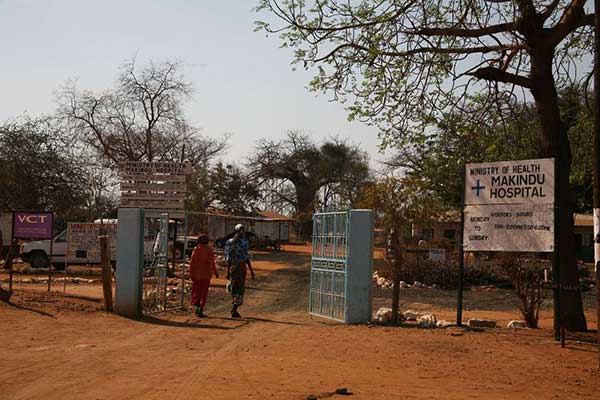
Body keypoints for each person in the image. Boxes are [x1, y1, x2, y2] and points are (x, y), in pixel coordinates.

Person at [225, 224, 254, 318]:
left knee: (233, 287)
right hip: (241, 267)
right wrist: (251, 270)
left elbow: (228, 258)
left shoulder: (229, 242)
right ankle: (234, 308)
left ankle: (234, 305)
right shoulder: (244, 242)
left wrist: (228, 271)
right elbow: (246, 257)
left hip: (233, 267)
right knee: (240, 289)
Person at [189, 234, 218, 317]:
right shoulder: (209, 250)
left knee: (196, 292)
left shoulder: (196, 249)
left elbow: (192, 263)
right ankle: (201, 310)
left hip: (196, 275)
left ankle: (197, 308)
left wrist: (191, 273)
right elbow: (211, 263)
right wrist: (215, 272)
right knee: (204, 293)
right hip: (206, 275)